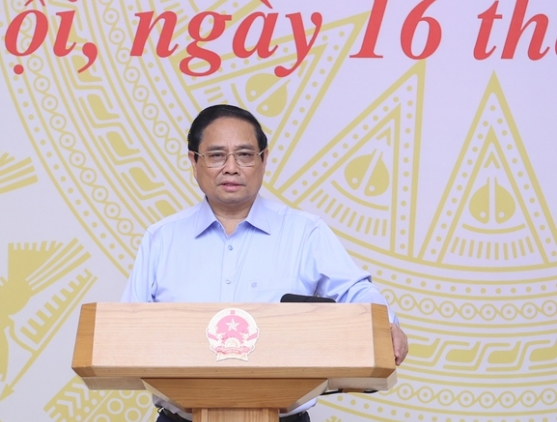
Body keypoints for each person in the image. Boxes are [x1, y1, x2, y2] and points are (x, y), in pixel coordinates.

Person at [121, 104, 408, 422]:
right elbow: (127, 331)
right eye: (217, 155)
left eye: (244, 155)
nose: (231, 168)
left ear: (263, 159)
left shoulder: (304, 232)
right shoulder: (162, 238)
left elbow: (356, 293)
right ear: (194, 161)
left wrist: (386, 326)